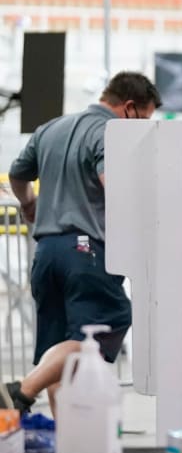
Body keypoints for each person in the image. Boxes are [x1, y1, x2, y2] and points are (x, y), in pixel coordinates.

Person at [0, 71, 161, 415]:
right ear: (129, 108)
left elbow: (17, 173)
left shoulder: (50, 128)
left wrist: (29, 203)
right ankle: (22, 391)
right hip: (85, 251)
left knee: (59, 348)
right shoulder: (108, 132)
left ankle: (65, 443)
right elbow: (113, 184)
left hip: (46, 253)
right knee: (109, 321)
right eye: (144, 120)